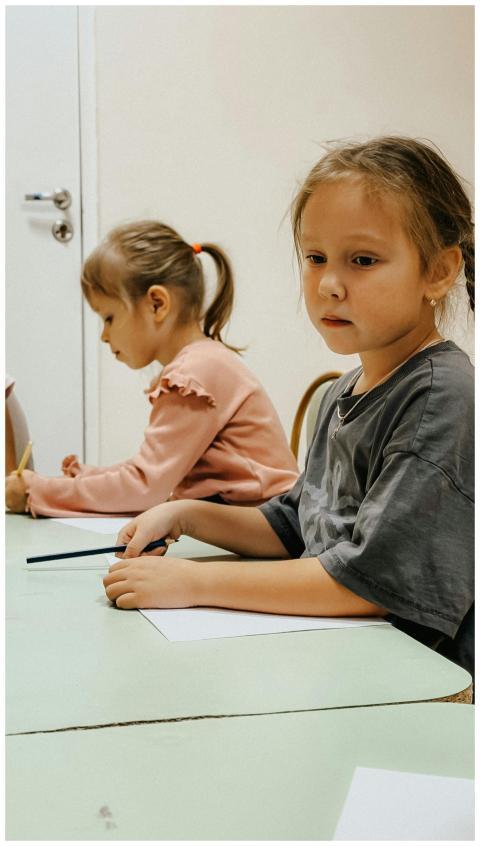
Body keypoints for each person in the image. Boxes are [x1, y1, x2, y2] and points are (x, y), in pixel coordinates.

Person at [102, 138, 474, 676]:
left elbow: (371, 580)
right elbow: (294, 524)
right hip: (335, 658)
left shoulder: (440, 396)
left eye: (362, 261)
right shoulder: (345, 391)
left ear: (438, 272)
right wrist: (185, 515)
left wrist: (196, 582)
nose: (328, 284)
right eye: (315, 257)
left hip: (408, 681)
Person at [5, 221, 298, 516]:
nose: (104, 336)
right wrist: (88, 478)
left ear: (157, 304)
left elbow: (144, 487)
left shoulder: (194, 374)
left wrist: (38, 490)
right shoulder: (201, 362)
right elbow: (148, 474)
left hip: (268, 524)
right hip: (252, 519)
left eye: (108, 318)